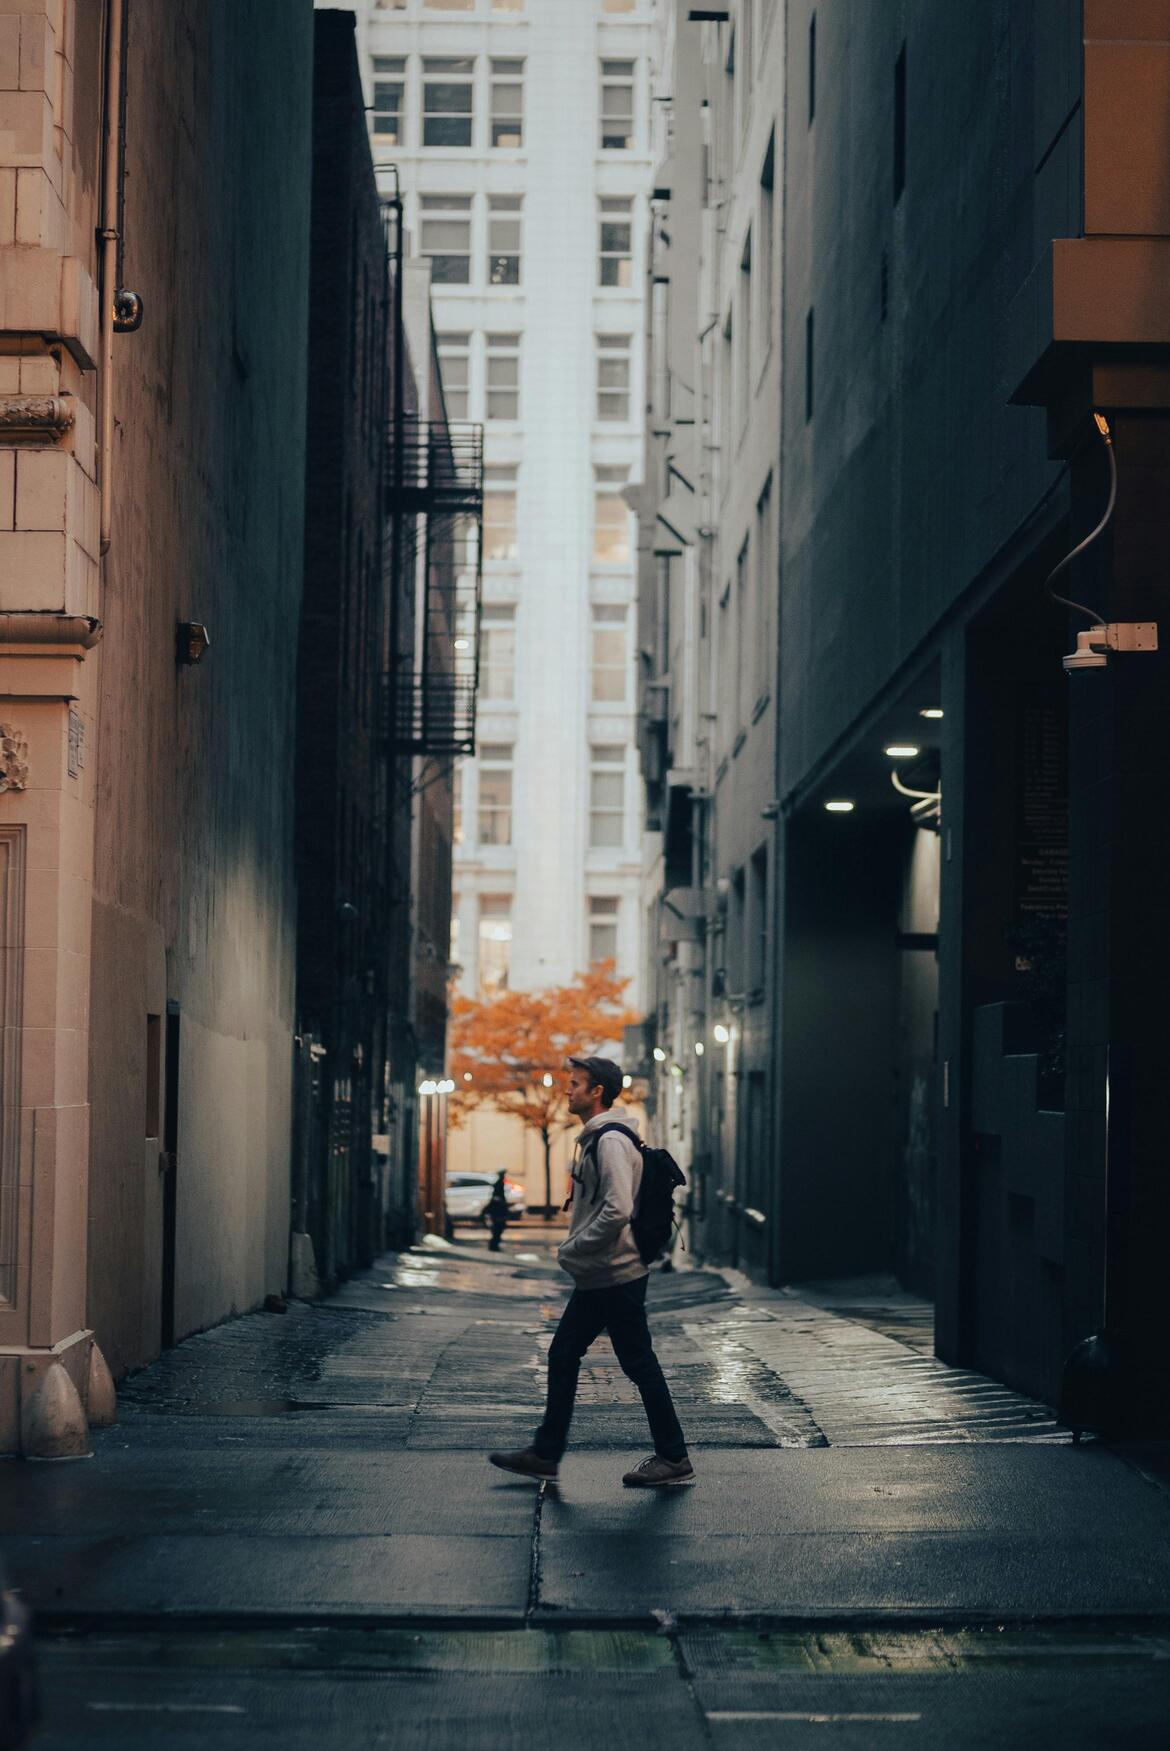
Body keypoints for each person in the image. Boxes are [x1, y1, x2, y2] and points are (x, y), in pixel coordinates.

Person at [489, 1055, 694, 1488]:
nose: (566, 1089)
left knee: (631, 1361)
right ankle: (547, 1453)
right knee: (574, 1355)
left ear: (596, 1090)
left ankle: (672, 1457)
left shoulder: (611, 1142)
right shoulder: (596, 1139)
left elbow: (618, 1208)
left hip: (615, 1272)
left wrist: (574, 1248)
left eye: (574, 1083)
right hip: (604, 1274)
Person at [486, 1169, 509, 1252]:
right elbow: (498, 1198)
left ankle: (494, 1245)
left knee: (497, 1229)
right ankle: (493, 1245)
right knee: (497, 1229)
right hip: (498, 1211)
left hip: (498, 1211)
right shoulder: (499, 1184)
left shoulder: (499, 1183)